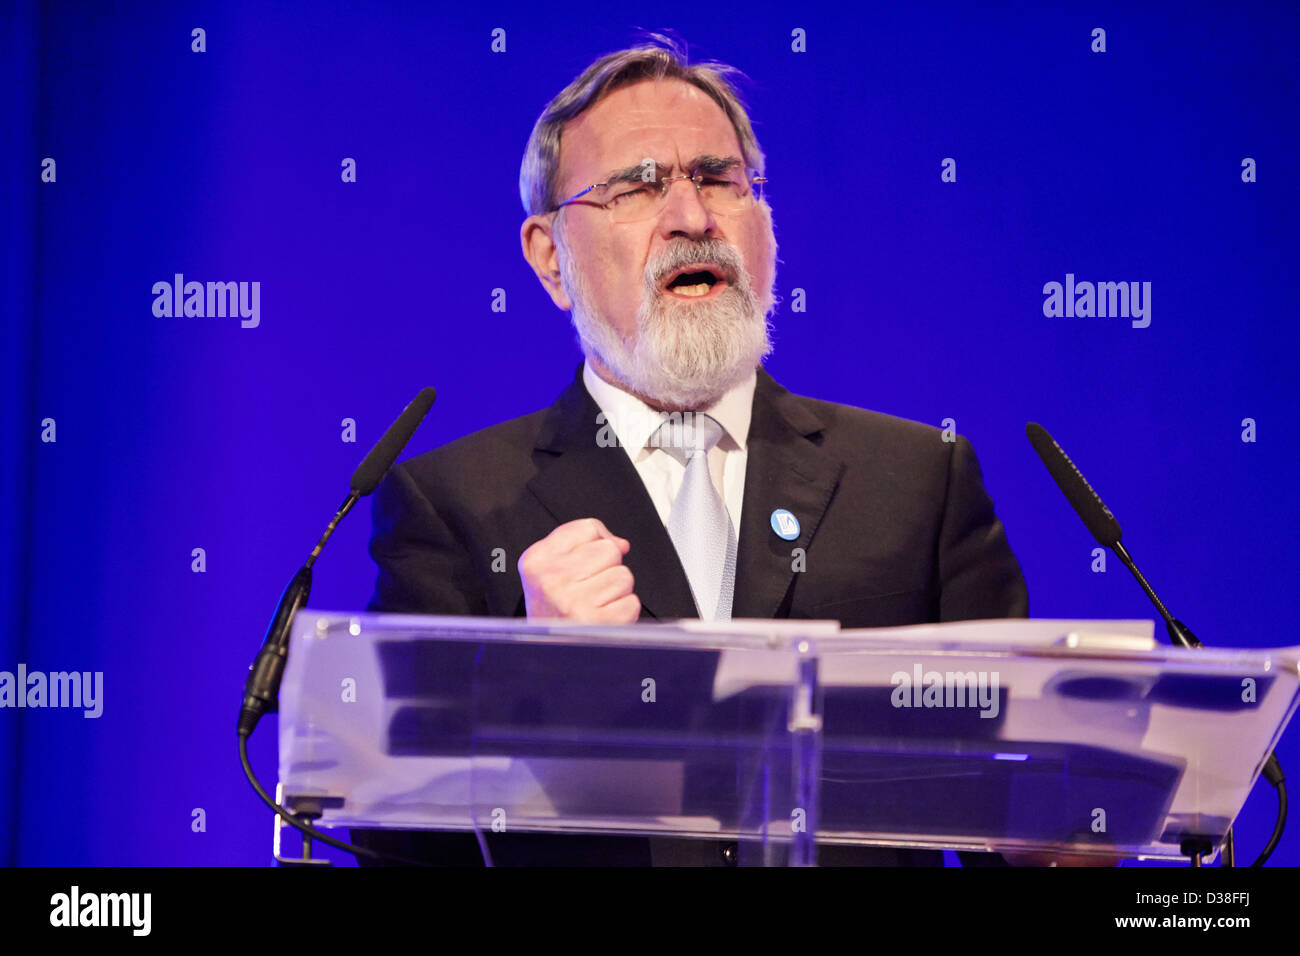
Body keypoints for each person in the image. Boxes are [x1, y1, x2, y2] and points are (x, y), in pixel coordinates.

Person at [352, 36, 1027, 867]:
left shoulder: (918, 480)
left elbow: (1016, 799)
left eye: (717, 178)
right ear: (548, 258)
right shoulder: (454, 504)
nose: (692, 217)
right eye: (637, 185)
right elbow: (397, 843)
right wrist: (525, 681)